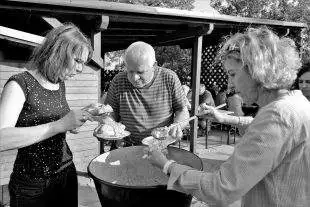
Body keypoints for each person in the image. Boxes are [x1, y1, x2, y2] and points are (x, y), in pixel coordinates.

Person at [147, 27, 310, 207]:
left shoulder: (277, 115)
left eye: (232, 74)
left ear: (257, 69)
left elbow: (221, 189)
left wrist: (167, 165)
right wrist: (223, 118)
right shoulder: (297, 102)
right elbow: (260, 127)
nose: (229, 84)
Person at [0, 24, 93, 207]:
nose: (81, 69)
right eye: (77, 60)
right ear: (58, 53)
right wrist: (59, 125)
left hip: (66, 174)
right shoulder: (20, 84)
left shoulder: (59, 84)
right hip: (32, 186)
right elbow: (2, 138)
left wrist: (82, 116)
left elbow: (61, 122)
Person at [104, 41, 190, 146]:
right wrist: (108, 126)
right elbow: (110, 112)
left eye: (140, 72)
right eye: (130, 71)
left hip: (162, 144)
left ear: (154, 66)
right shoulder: (118, 81)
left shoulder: (169, 78)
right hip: (128, 145)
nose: (134, 78)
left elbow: (182, 109)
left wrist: (178, 125)